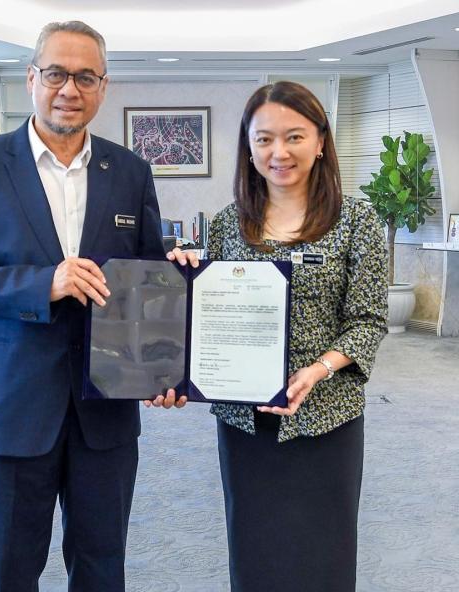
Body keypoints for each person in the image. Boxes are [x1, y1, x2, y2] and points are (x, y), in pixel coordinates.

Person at [0, 21, 193, 592]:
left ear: (103, 86)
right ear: (31, 79)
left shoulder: (130, 172)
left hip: (106, 409)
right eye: (56, 74)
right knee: (10, 571)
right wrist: (43, 284)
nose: (69, 89)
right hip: (11, 408)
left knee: (102, 567)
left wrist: (168, 364)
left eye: (85, 77)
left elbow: (148, 277)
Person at [207, 81, 388, 592]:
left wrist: (318, 369)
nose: (278, 152)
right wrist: (181, 277)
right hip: (245, 421)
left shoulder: (357, 222)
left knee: (323, 552)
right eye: (264, 139)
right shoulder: (227, 225)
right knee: (254, 551)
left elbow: (369, 320)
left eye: (294, 137)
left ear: (321, 141)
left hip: (326, 416)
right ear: (248, 146)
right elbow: (208, 315)